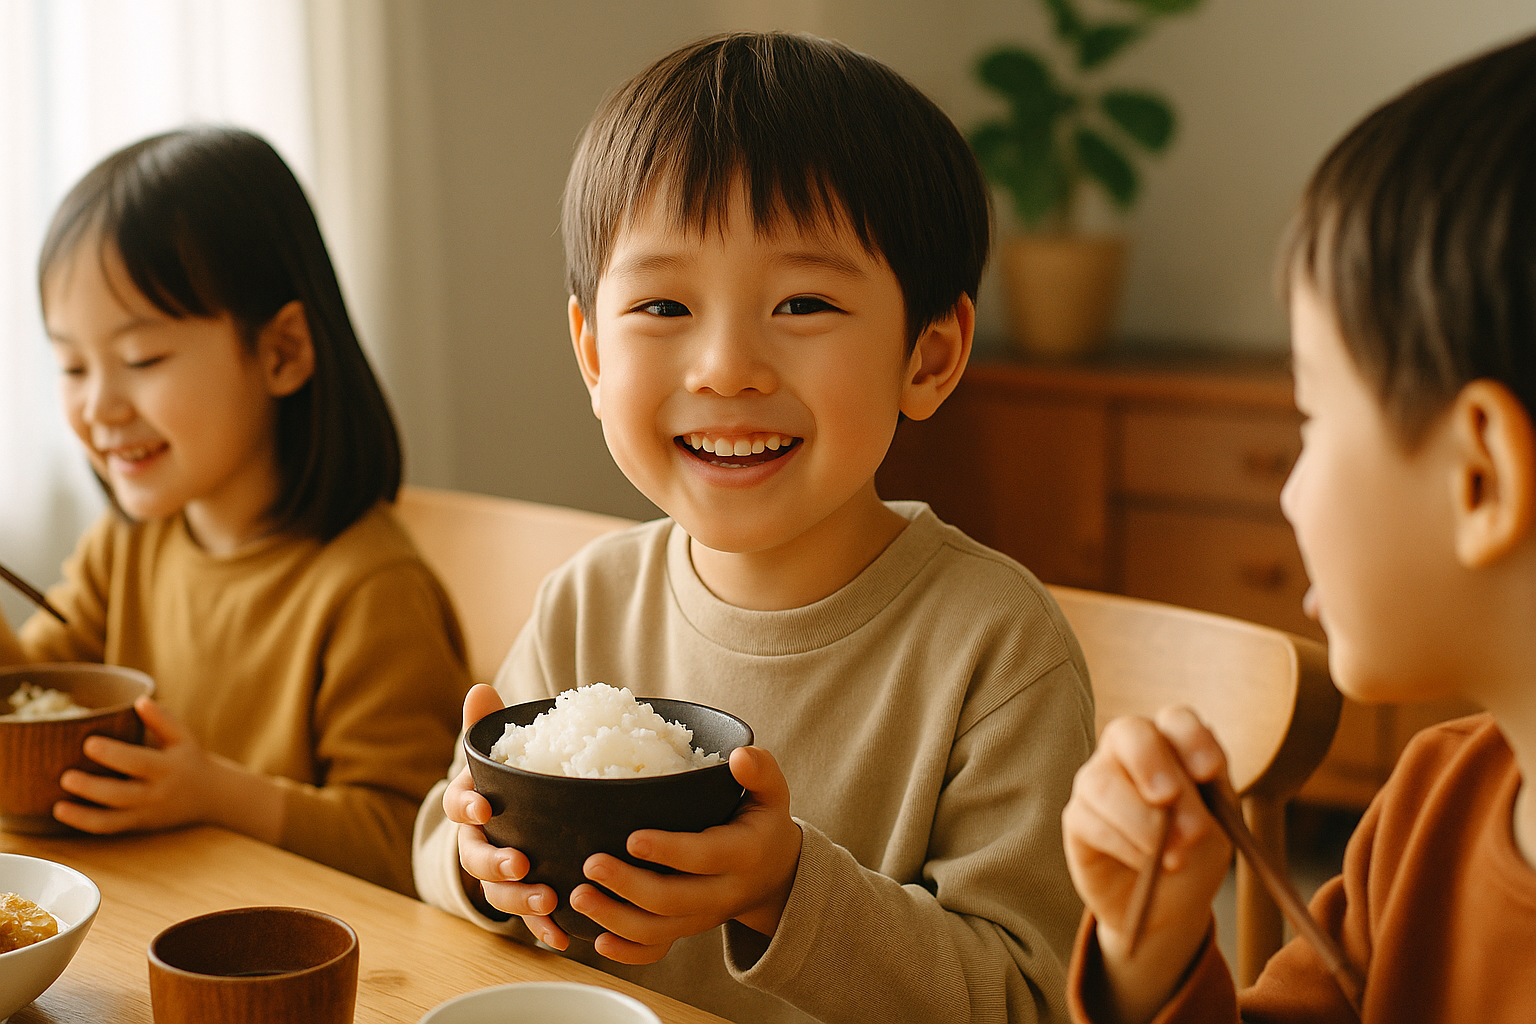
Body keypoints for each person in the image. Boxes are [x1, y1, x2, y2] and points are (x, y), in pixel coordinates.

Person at [413, 30, 1095, 1024]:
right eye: (663, 304)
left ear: (930, 356)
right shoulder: (589, 599)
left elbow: (1028, 999)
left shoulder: (996, 646)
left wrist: (785, 889)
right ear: (594, 354)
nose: (726, 366)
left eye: (804, 301)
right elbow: (440, 842)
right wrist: (481, 864)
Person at [1059, 31, 1536, 1024]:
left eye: (1312, 417)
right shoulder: (1427, 808)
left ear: (1481, 476)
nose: (1289, 491)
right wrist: (1150, 954)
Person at [0, 126, 472, 896]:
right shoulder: (125, 546)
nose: (98, 405)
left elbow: (411, 844)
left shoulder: (370, 589)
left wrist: (214, 793)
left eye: (142, 360)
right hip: (145, 919)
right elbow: (32, 708)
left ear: (281, 352)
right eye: (72, 365)